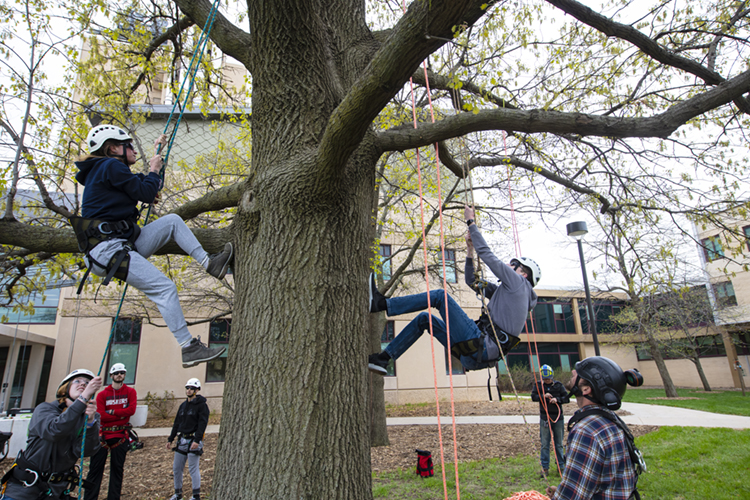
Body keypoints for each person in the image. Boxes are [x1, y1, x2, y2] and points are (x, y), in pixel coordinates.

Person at [73, 124, 232, 368]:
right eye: (129, 145)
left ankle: (210, 263)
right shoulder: (110, 165)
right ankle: (188, 347)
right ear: (113, 148)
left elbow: (151, 187)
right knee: (165, 288)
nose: (133, 150)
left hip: (121, 244)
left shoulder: (109, 171)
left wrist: (158, 154)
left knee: (172, 222)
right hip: (109, 250)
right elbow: (146, 192)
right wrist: (153, 171)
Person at [368, 205, 540, 374]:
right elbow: (472, 281)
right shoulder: (509, 293)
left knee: (440, 296)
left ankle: (380, 304)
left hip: (480, 345)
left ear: (523, 274)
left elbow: (487, 254)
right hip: (475, 355)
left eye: (514, 265)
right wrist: (470, 251)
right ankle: (384, 359)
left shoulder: (518, 283)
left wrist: (470, 221)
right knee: (424, 320)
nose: (509, 265)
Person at [546, 357, 645, 500]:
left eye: (579, 373)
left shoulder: (586, 431)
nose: (573, 372)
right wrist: (562, 491)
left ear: (586, 389)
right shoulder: (610, 421)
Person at [0, 369, 103, 500]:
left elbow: (87, 450)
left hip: (55, 491)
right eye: (77, 381)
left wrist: (90, 423)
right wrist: (83, 399)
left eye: (87, 383)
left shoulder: (91, 417)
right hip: (24, 490)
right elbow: (54, 431)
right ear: (65, 387)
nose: (83, 384)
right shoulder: (45, 409)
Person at [84, 363, 137, 500]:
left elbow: (131, 411)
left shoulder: (130, 392)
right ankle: (90, 497)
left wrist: (112, 411)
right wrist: (120, 414)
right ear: (111, 376)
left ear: (124, 375)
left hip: (120, 435)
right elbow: (101, 415)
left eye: (122, 372)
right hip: (103, 436)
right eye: (117, 373)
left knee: (117, 470)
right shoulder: (102, 395)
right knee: (95, 470)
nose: (119, 375)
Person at [166, 378, 209, 500]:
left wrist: (197, 440)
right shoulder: (183, 406)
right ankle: (178, 494)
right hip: (182, 440)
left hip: (193, 440)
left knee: (193, 468)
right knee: (177, 468)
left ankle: (196, 495)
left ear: (197, 390)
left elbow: (202, 424)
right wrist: (170, 439)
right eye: (187, 388)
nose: (189, 390)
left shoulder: (202, 406)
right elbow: (177, 423)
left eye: (191, 388)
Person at [530, 364, 569, 478]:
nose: (547, 381)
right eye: (545, 379)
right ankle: (545, 468)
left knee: (559, 444)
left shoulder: (559, 385)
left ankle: (561, 467)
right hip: (544, 418)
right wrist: (543, 396)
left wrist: (557, 400)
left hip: (558, 418)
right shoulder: (537, 385)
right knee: (545, 444)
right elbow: (533, 397)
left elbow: (566, 398)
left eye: (549, 379)